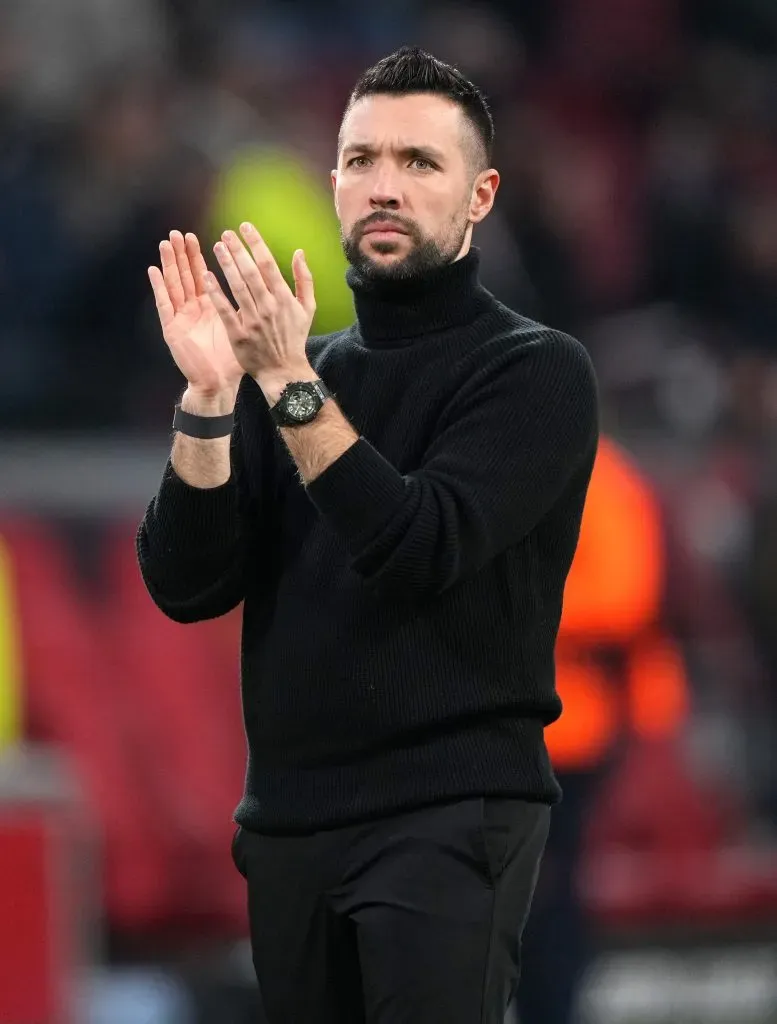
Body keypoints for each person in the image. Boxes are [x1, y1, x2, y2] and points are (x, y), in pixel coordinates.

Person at [137, 47, 599, 1024]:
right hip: (291, 820)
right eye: (361, 161)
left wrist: (285, 382)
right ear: (335, 181)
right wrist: (213, 400)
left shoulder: (535, 372)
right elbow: (188, 583)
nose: (384, 187)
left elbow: (417, 543)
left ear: (480, 196)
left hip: (449, 813)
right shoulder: (281, 373)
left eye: (420, 164)